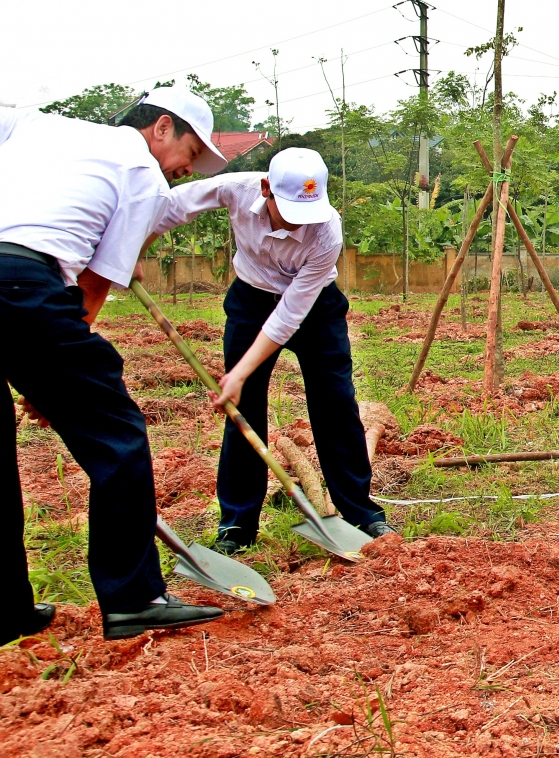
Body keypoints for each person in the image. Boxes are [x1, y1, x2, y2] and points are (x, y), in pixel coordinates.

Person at [0, 88, 232, 641]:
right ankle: (134, 597)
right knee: (118, 436)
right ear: (161, 128)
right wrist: (52, 380)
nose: (183, 169)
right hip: (24, 281)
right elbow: (97, 281)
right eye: (190, 153)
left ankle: (2, 607)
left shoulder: (38, 125)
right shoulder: (142, 173)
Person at [148, 147, 395, 555]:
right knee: (243, 411)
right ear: (267, 189)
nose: (302, 225)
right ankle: (237, 524)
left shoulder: (327, 231)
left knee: (335, 403)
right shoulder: (236, 189)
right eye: (292, 213)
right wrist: (136, 249)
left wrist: (239, 371)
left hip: (313, 306)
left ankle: (360, 511)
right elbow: (171, 207)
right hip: (250, 299)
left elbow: (287, 318)